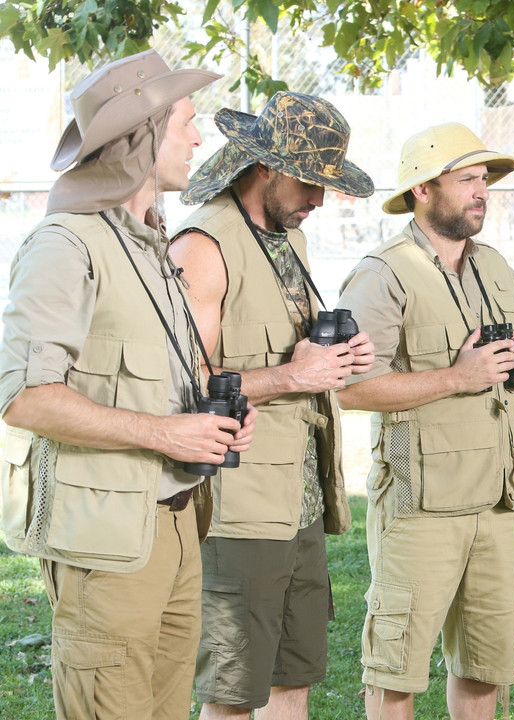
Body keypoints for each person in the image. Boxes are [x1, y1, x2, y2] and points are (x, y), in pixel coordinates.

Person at [0, 50, 257, 719]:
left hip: (176, 525)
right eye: (186, 123)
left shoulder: (150, 245)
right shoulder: (66, 245)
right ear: (143, 136)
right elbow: (25, 397)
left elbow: (159, 376)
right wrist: (166, 433)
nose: (198, 140)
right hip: (107, 543)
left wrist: (213, 414)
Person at [169, 91, 377, 719]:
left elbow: (297, 353)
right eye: (310, 181)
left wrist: (339, 355)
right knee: (234, 691)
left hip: (298, 500)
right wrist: (292, 375)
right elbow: (183, 381)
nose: (320, 199)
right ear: (266, 166)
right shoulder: (203, 246)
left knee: (294, 675)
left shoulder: (289, 239)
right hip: (238, 508)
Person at [336, 122, 514, 720]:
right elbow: (349, 388)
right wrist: (456, 377)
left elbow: (500, 371)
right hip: (420, 508)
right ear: (423, 190)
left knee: (485, 667)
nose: (482, 192)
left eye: (485, 180)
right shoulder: (383, 273)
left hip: (496, 504)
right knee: (395, 672)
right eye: (467, 180)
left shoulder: (495, 267)